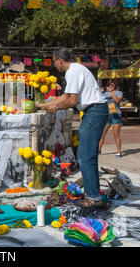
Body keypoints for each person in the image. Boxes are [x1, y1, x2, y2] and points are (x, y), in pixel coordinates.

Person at [36, 47, 108, 209]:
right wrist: (47, 104)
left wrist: (56, 108)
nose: (55, 65)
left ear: (59, 60)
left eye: (55, 62)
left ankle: (93, 197)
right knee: (87, 155)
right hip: (95, 111)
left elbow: (72, 101)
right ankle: (94, 194)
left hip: (94, 111)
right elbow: (65, 96)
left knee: (84, 155)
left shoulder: (72, 71)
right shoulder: (76, 69)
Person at [98, 79, 124, 157]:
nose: (110, 86)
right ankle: (99, 149)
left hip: (116, 114)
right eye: (109, 85)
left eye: (112, 85)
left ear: (115, 86)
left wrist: (112, 92)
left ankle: (119, 151)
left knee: (116, 134)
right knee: (102, 133)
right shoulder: (105, 93)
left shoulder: (119, 93)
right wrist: (100, 91)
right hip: (107, 115)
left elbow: (117, 100)